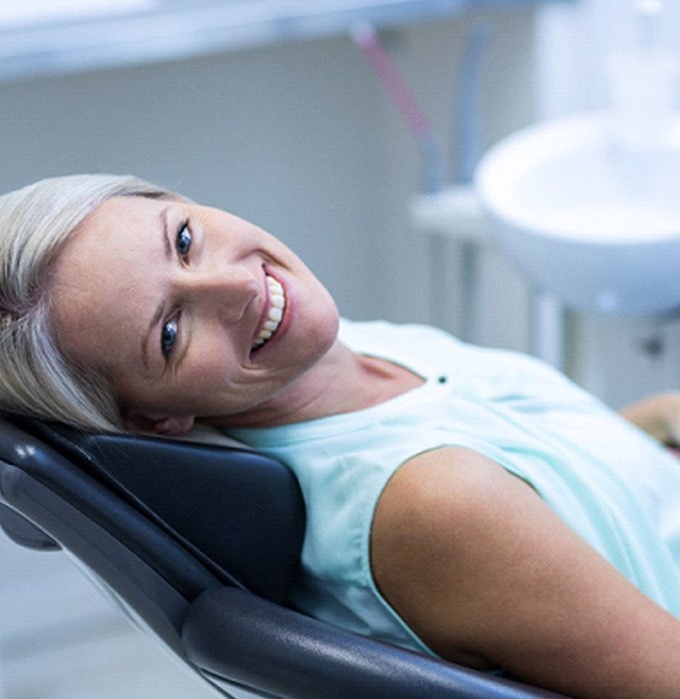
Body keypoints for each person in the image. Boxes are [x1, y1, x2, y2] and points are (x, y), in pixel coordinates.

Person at [1, 173, 680, 698]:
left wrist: (655, 421)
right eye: (171, 333)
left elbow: (547, 480)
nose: (238, 283)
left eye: (183, 239)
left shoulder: (336, 354)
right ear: (151, 420)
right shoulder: (433, 502)